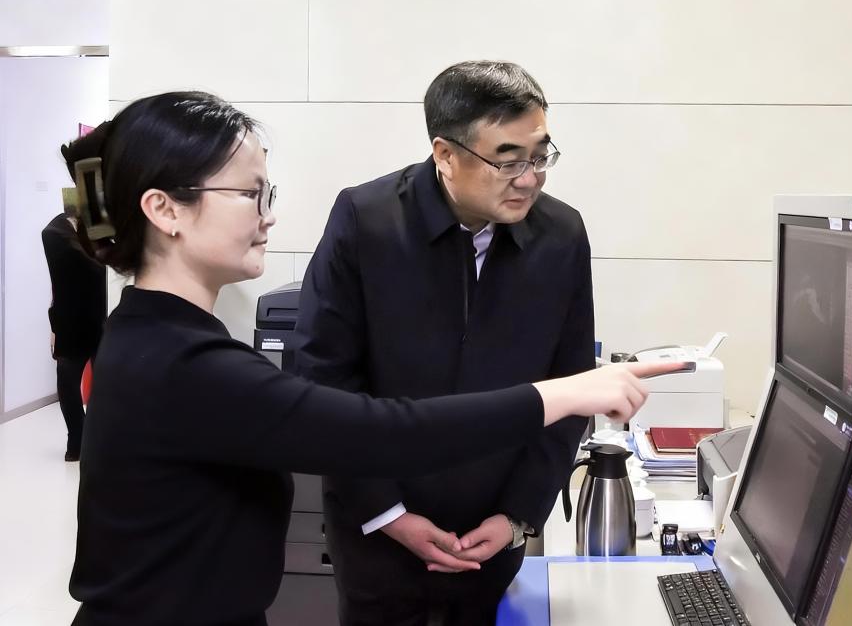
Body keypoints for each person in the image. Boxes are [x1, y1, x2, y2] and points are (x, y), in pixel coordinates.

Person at [62, 91, 675, 626]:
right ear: (164, 209)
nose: (269, 215)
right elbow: (380, 432)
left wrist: (519, 508)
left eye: (267, 192)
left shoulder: (157, 337)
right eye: (249, 194)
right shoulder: (183, 364)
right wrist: (569, 391)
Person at [293, 61, 596, 625]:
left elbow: (572, 386)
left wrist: (517, 516)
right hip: (378, 527)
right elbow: (322, 378)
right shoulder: (368, 220)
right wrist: (388, 513)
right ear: (446, 154)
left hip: (493, 532)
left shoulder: (562, 235)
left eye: (539, 156)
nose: (529, 178)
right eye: (508, 160)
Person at [41, 185, 106, 461]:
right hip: (71, 322)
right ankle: (77, 439)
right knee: (68, 383)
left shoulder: (96, 230)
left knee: (105, 383)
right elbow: (67, 279)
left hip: (99, 319)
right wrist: (54, 328)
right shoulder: (54, 233)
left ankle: (98, 437)